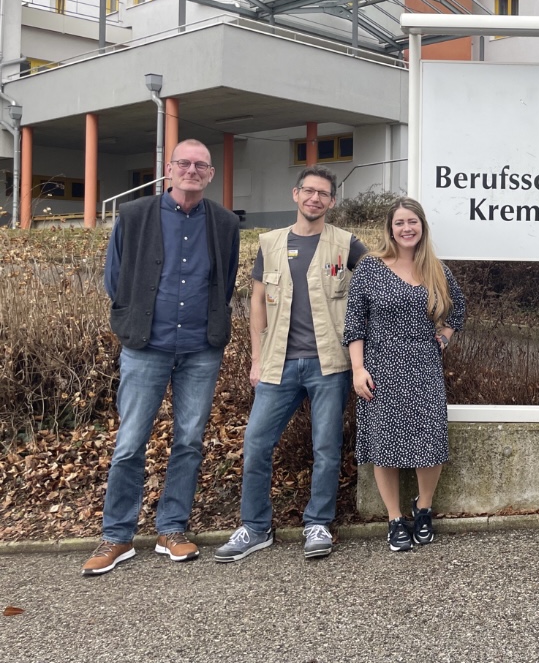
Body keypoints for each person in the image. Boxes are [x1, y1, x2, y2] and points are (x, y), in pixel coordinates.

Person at [83, 139, 240, 576]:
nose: (192, 170)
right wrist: (131, 318)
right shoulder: (134, 216)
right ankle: (116, 536)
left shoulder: (224, 223)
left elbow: (223, 281)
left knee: (188, 441)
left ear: (210, 174)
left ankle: (172, 528)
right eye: (184, 163)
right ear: (169, 170)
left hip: (200, 349)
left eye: (200, 165)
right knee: (130, 443)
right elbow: (116, 278)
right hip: (145, 346)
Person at [214, 167, 368, 563]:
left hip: (329, 365)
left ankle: (318, 522)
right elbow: (257, 303)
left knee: (327, 448)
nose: (315, 199)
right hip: (278, 365)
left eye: (324, 194)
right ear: (295, 195)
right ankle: (254, 527)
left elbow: (375, 286)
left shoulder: (347, 244)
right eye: (309, 191)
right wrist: (256, 359)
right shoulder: (270, 243)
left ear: (332, 202)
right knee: (256, 444)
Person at [343, 196, 466, 552]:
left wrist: (443, 339)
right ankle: (395, 518)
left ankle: (423, 509)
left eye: (412, 222)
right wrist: (357, 369)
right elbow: (354, 321)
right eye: (399, 223)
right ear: (390, 228)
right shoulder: (370, 267)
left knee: (430, 441)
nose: (406, 228)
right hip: (380, 366)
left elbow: (457, 310)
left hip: (424, 366)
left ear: (422, 226)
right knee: (385, 443)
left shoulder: (436, 270)